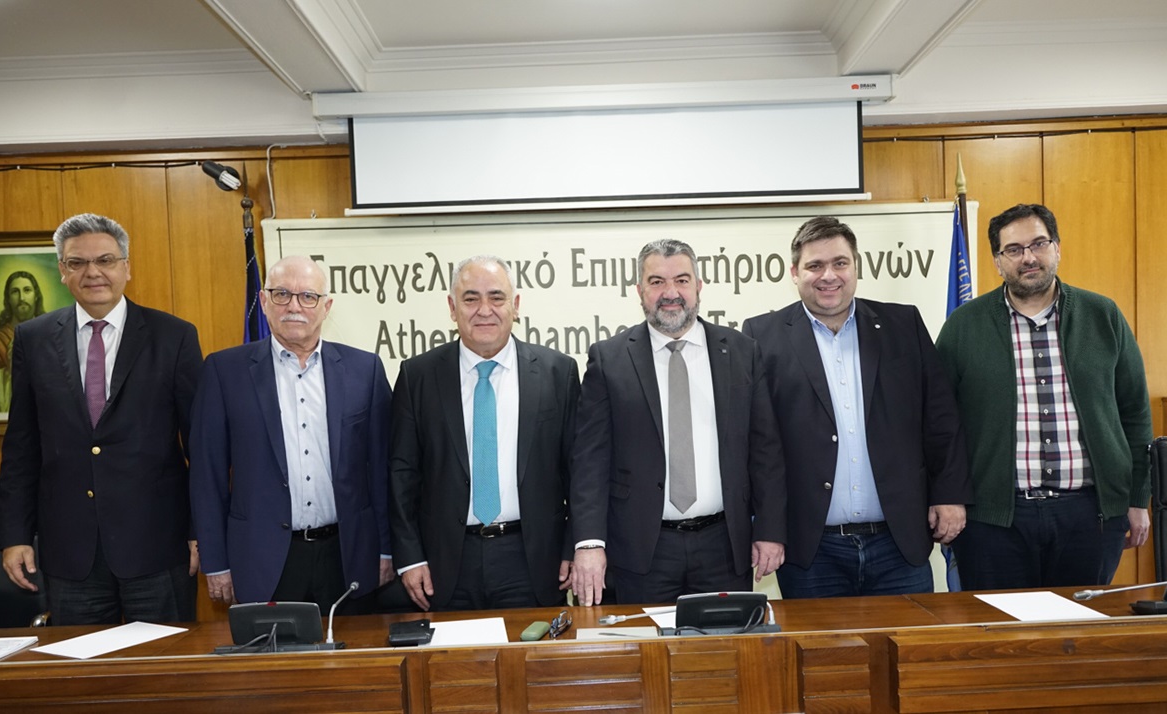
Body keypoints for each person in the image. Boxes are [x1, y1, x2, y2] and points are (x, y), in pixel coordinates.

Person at [742, 216, 972, 598]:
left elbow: (940, 418)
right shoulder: (761, 337)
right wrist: (766, 527)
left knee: (907, 638)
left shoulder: (903, 324)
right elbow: (759, 444)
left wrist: (949, 494)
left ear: (856, 267)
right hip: (812, 550)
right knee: (816, 640)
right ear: (794, 273)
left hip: (898, 544)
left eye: (840, 263)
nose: (828, 275)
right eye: (815, 265)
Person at [0, 213, 202, 625]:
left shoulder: (174, 336)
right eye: (77, 262)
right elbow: (21, 446)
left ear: (126, 267)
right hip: (71, 552)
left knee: (164, 661)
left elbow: (200, 444)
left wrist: (202, 531)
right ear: (62, 271)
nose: (92, 272)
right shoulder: (33, 339)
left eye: (105, 260)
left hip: (158, 546)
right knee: (81, 664)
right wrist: (15, 535)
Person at [936, 203, 1151, 589]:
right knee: (999, 625)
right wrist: (946, 495)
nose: (1029, 257)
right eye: (1014, 249)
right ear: (997, 261)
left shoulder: (1103, 316)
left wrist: (1137, 498)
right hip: (993, 521)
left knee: (1079, 625)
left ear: (1057, 248)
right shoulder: (963, 327)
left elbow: (1134, 413)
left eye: (1039, 243)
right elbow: (940, 422)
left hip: (1091, 516)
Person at [570, 238, 785, 606]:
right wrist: (589, 543)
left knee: (724, 643)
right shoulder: (609, 359)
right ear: (639, 291)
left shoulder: (741, 351)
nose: (670, 293)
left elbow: (765, 449)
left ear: (698, 286)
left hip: (723, 546)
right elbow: (589, 460)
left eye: (682, 280)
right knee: (644, 643)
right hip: (641, 550)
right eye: (657, 282)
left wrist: (769, 529)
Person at [190, 255, 393, 614]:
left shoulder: (365, 370)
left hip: (347, 556)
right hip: (262, 559)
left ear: (326, 306)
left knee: (356, 651)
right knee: (272, 653)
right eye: (282, 294)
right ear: (264, 301)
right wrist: (216, 562)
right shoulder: (225, 371)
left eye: (307, 296)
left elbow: (382, 470)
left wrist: (386, 550)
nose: (294, 306)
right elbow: (208, 475)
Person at [389, 255, 580, 611]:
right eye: (470, 298)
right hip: (444, 563)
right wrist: (410, 557)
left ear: (515, 305)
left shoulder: (557, 372)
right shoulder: (418, 376)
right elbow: (402, 476)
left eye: (496, 297)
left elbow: (578, 472)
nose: (484, 310)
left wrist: (573, 546)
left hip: (533, 560)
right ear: (452, 307)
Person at [0, 270, 46, 412]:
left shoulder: (51, 335)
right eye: (15, 292)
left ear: (36, 296)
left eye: (27, 290)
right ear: (8, 299)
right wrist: (10, 370)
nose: (22, 298)